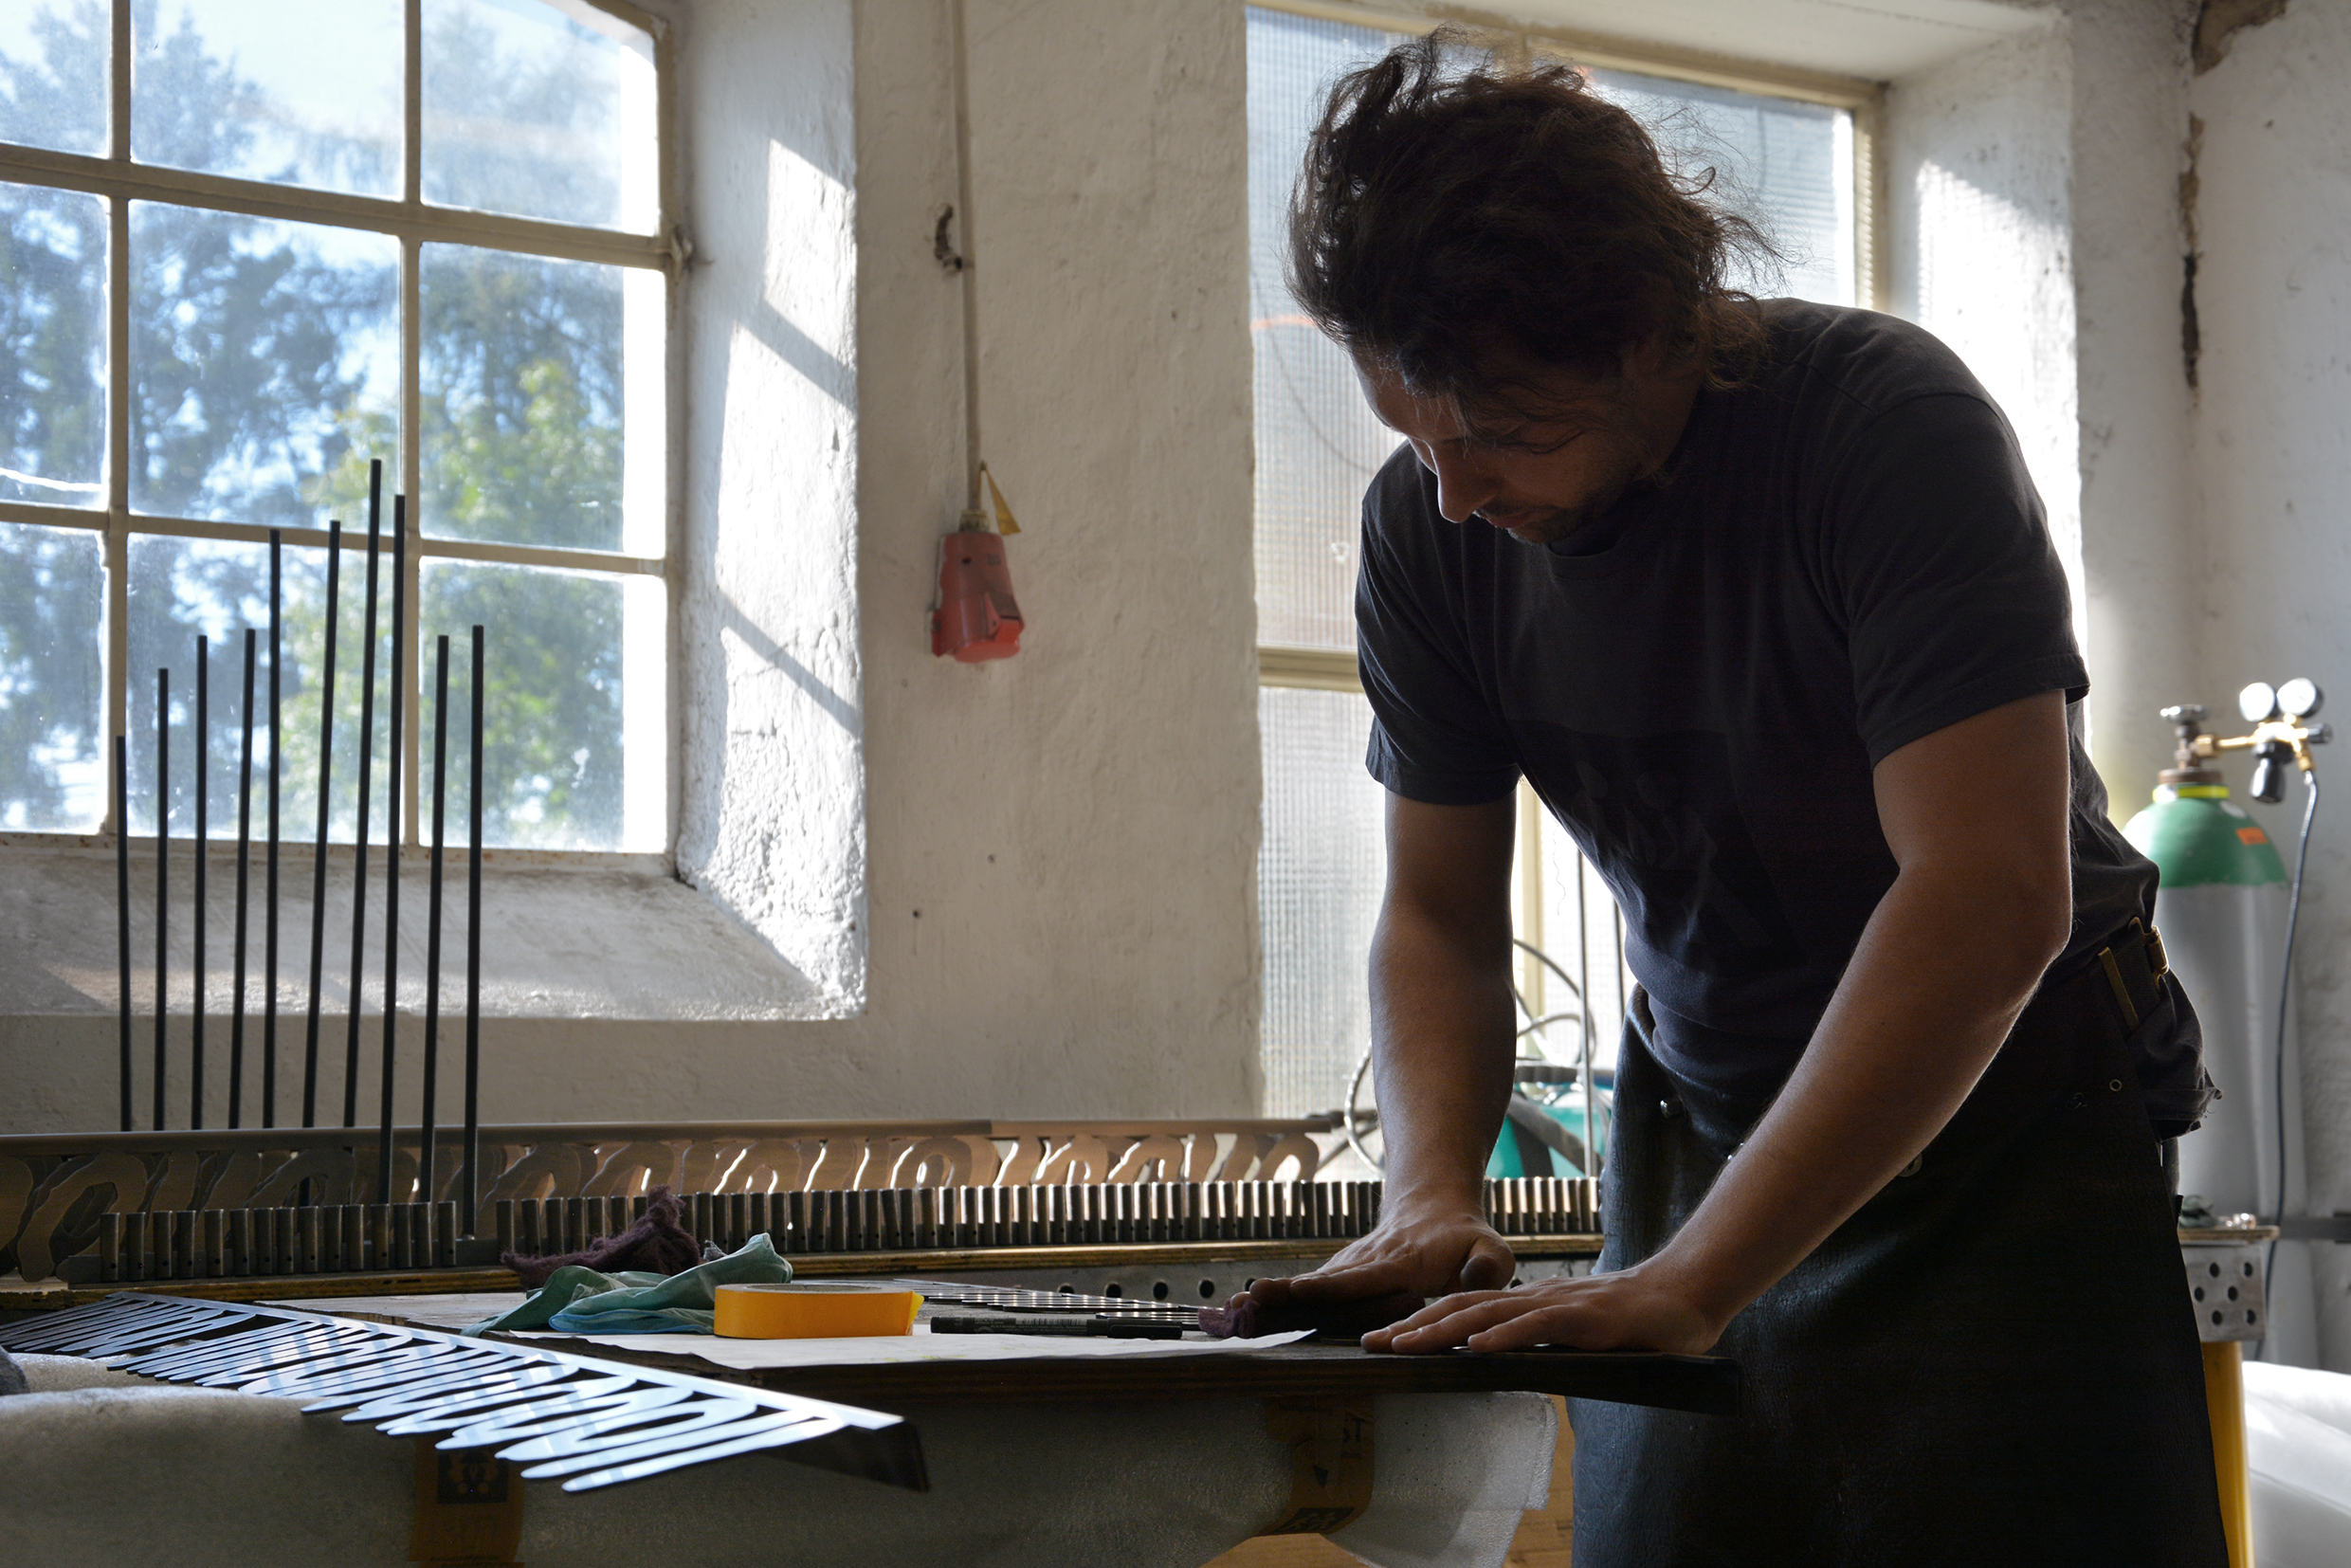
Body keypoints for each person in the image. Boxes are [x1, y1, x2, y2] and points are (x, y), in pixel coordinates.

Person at [1245, 32, 2229, 1565]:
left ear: (1652, 330)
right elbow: (1437, 911)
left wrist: (1699, 1277)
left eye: (1495, 427)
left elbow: (1988, 894)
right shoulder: (1431, 533)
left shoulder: (1883, 432)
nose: (1454, 490)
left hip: (2012, 1120)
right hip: (1703, 1111)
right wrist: (1430, 1192)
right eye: (1411, 434)